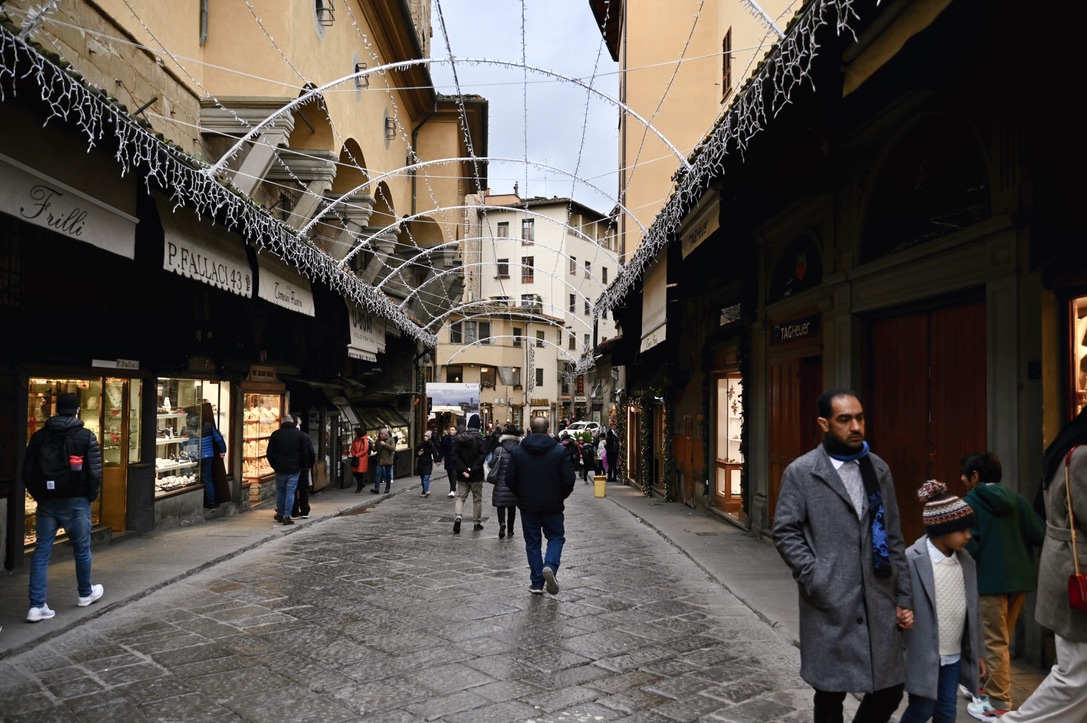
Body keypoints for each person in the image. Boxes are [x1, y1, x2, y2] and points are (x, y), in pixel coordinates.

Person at [773, 389, 913, 723]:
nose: (855, 426)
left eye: (860, 418)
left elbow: (892, 536)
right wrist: (816, 576)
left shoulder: (877, 469)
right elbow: (785, 531)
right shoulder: (802, 471)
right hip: (830, 602)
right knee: (830, 694)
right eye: (845, 419)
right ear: (825, 423)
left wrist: (904, 596)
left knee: (890, 690)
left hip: (877, 599)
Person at [1002, 409, 1087, 722]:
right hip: (1077, 573)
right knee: (1076, 674)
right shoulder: (1083, 456)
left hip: (1066, 567)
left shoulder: (1067, 448)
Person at [960, 451, 1045, 720]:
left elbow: (967, 542)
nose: (962, 480)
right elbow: (1040, 533)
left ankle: (998, 703)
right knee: (1001, 640)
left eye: (964, 475)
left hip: (989, 581)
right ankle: (987, 686)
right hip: (1019, 580)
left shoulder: (970, 501)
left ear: (975, 476)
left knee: (995, 642)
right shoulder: (1017, 499)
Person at [900, 480, 984, 723]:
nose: (968, 536)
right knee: (922, 708)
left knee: (947, 712)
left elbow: (974, 610)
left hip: (954, 654)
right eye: (962, 530)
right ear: (941, 529)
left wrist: (978, 653)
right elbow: (898, 600)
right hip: (923, 654)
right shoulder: (911, 559)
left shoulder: (966, 562)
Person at [23, 392, 105, 622]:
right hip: (76, 500)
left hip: (47, 502)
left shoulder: (39, 437)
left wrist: (39, 496)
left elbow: (27, 472)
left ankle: (36, 605)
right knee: (81, 549)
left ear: (57, 410)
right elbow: (95, 472)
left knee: (41, 552)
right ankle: (85, 593)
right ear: (77, 410)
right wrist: (90, 495)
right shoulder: (85, 436)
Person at [505, 416, 575, 595]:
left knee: (533, 543)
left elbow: (510, 479)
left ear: (530, 429)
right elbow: (569, 479)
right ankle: (550, 565)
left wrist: (521, 495)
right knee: (556, 537)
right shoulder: (559, 451)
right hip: (553, 504)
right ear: (547, 430)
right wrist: (560, 496)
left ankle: (537, 583)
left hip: (529, 505)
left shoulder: (519, 452)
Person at [266, 416, 309, 525]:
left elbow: (269, 453)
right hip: (294, 468)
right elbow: (305, 453)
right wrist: (302, 465)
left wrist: (274, 465)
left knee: (280, 491)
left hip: (280, 467)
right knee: (290, 492)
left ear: (282, 422)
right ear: (293, 422)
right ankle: (287, 515)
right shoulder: (300, 435)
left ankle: (280, 513)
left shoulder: (276, 434)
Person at [451, 415, 486, 533]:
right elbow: (482, 456)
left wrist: (463, 469)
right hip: (476, 475)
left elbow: (454, 456)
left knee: (460, 497)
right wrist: (472, 469)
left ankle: (458, 518)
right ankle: (476, 522)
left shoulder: (459, 439)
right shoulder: (480, 439)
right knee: (477, 499)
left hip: (462, 475)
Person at [489, 423, 522, 539]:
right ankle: (511, 530)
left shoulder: (499, 450)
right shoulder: (519, 449)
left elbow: (491, 464)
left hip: (500, 482)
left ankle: (502, 523)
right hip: (514, 483)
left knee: (501, 505)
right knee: (512, 507)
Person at [199, 402, 226, 509]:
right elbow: (218, 439)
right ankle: (211, 502)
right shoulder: (209, 426)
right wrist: (223, 450)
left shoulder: (186, 428)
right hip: (207, 456)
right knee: (207, 479)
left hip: (193, 457)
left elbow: (183, 444)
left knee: (192, 480)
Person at [291, 415, 316, 519]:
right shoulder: (305, 436)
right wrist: (309, 465)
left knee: (292, 489)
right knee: (303, 489)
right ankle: (305, 511)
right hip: (303, 467)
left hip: (291, 466)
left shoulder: (287, 436)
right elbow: (312, 453)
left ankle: (295, 511)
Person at [415, 430, 439, 497]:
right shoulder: (421, 445)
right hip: (421, 462)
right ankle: (424, 490)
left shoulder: (431, 445)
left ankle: (426, 491)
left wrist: (437, 461)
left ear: (429, 437)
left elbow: (434, 454)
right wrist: (418, 453)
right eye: (424, 436)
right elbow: (415, 453)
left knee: (426, 477)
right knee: (422, 477)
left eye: (426, 436)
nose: (425, 437)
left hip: (428, 462)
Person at [372, 428, 396, 494]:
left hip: (388, 459)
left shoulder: (391, 439)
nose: (381, 435)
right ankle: (376, 488)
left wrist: (385, 444)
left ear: (386, 434)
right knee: (377, 473)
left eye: (382, 434)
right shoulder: (379, 440)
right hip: (380, 459)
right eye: (380, 434)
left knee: (388, 474)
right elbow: (376, 449)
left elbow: (393, 448)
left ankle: (387, 488)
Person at [350, 426, 371, 493]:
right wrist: (353, 454)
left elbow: (365, 450)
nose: (354, 433)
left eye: (355, 432)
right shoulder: (356, 439)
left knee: (359, 472)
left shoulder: (364, 440)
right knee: (355, 472)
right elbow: (352, 448)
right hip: (356, 457)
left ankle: (359, 485)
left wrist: (356, 455)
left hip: (361, 458)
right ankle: (361, 484)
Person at [440, 425, 458, 497]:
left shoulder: (458, 439)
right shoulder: (446, 439)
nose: (451, 431)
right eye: (450, 430)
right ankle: (452, 488)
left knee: (454, 475)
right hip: (448, 459)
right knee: (450, 475)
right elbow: (442, 449)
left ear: (456, 431)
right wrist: (439, 459)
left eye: (453, 430)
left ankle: (452, 490)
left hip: (456, 460)